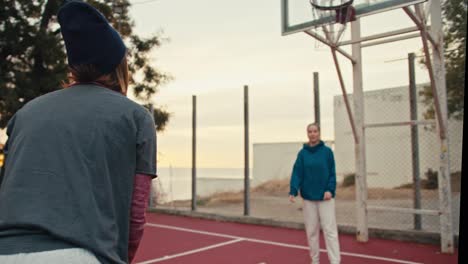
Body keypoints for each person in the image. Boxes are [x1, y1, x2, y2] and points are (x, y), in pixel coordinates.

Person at [0, 1, 157, 263]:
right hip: (80, 254)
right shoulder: (136, 117)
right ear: (120, 68)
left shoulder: (25, 113)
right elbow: (136, 213)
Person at [289, 123, 341, 264]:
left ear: (319, 133)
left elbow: (332, 173)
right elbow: (297, 173)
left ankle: (335, 261)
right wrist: (293, 190)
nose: (312, 134)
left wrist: (330, 190)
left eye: (315, 131)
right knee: (312, 232)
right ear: (307, 134)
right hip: (308, 198)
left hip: (325, 198)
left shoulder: (327, 152)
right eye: (310, 131)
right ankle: (315, 260)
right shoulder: (302, 154)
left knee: (330, 231)